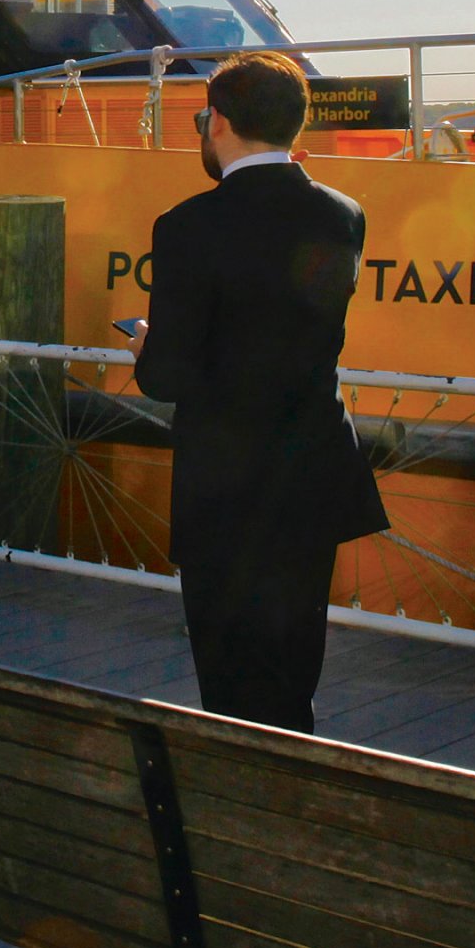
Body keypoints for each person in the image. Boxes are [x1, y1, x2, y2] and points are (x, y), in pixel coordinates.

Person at [131, 50, 388, 734]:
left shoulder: (186, 226)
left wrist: (144, 346)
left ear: (216, 121)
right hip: (312, 471)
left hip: (226, 485)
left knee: (231, 674)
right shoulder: (344, 215)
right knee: (293, 665)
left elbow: (167, 376)